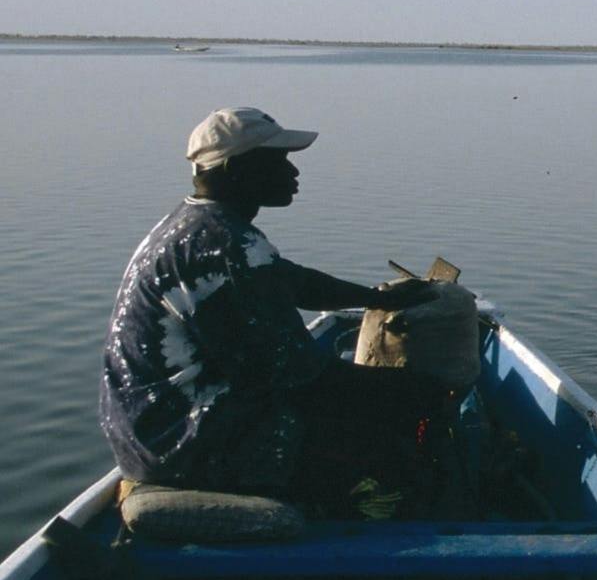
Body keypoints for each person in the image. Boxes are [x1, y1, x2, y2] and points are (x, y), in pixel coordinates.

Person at [100, 107, 445, 516]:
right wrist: (417, 389)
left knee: (384, 399)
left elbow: (292, 281)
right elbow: (301, 376)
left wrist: (379, 298)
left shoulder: (194, 225)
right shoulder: (224, 249)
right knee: (407, 410)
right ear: (236, 169)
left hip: (147, 432)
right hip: (189, 445)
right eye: (279, 161)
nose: (293, 172)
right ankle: (390, 516)